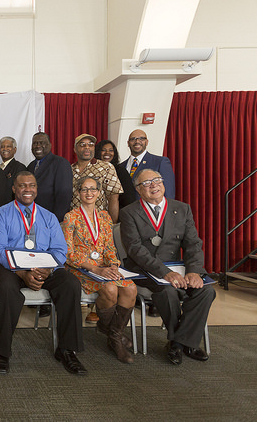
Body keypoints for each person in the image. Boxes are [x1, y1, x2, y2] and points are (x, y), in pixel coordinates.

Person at [0, 171, 86, 375]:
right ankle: (2, 353)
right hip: (10, 268)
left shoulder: (48, 217)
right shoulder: (0, 214)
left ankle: (67, 350)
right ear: (14, 189)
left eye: (31, 185)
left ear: (37, 189)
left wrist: (47, 270)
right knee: (6, 289)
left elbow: (60, 250)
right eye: (22, 186)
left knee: (70, 284)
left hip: (44, 267)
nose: (27, 189)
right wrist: (23, 273)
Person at [120, 169, 215, 365]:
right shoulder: (129, 212)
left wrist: (194, 271)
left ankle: (178, 343)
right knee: (167, 292)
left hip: (178, 267)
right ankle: (185, 343)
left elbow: (193, 244)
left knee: (206, 291)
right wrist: (166, 273)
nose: (153, 185)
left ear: (163, 183)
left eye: (156, 180)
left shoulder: (182, 209)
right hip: (144, 269)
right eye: (146, 183)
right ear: (138, 189)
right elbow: (136, 250)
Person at [61, 177, 137, 363]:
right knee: (110, 289)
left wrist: (113, 265)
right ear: (78, 193)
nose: (89, 193)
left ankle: (112, 332)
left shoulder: (105, 217)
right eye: (84, 189)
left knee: (131, 288)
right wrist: (95, 268)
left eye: (92, 189)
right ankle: (115, 338)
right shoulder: (71, 217)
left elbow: (110, 248)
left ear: (99, 192)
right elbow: (68, 254)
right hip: (81, 269)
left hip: (104, 268)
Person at [71, 133, 123, 223]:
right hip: (75, 222)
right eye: (82, 145)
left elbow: (113, 197)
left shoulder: (106, 167)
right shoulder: (70, 169)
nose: (87, 147)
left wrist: (112, 224)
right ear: (75, 149)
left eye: (91, 144)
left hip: (99, 223)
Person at [26, 132, 73, 223]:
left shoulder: (61, 163)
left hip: (51, 220)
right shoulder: (30, 166)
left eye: (42, 143)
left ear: (50, 145)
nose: (38, 146)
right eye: (35, 143)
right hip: (32, 219)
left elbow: (64, 196)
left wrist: (55, 221)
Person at [119, 129, 176, 199]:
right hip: (126, 209)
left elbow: (168, 193)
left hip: (150, 209)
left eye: (141, 139)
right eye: (133, 139)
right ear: (128, 143)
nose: (137, 141)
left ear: (147, 142)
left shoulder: (160, 162)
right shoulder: (120, 167)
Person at [95, 139, 136, 209]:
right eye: (103, 150)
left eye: (111, 150)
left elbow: (128, 198)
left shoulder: (120, 171)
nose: (107, 153)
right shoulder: (92, 170)